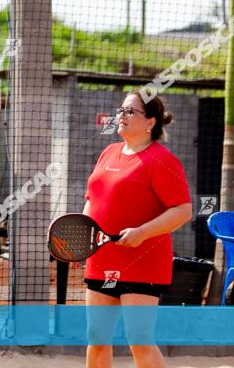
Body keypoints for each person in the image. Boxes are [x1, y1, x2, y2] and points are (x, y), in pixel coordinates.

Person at [83, 90, 192, 368]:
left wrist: (142, 232)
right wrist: (80, 237)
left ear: (150, 122)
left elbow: (183, 211)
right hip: (101, 259)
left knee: (139, 339)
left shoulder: (162, 160)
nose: (122, 115)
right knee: (96, 338)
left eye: (130, 111)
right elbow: (91, 201)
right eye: (121, 110)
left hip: (142, 263)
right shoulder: (108, 152)